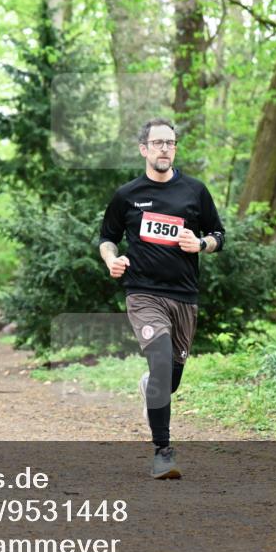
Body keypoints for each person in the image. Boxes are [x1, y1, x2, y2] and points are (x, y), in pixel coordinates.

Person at [99, 117, 225, 479]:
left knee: (170, 377)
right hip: (143, 294)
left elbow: (219, 233)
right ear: (144, 149)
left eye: (170, 143)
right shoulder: (127, 195)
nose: (164, 149)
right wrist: (113, 259)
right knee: (159, 359)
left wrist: (201, 243)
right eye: (157, 143)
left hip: (184, 297)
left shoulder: (195, 191)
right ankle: (163, 452)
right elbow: (107, 237)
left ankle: (150, 387)